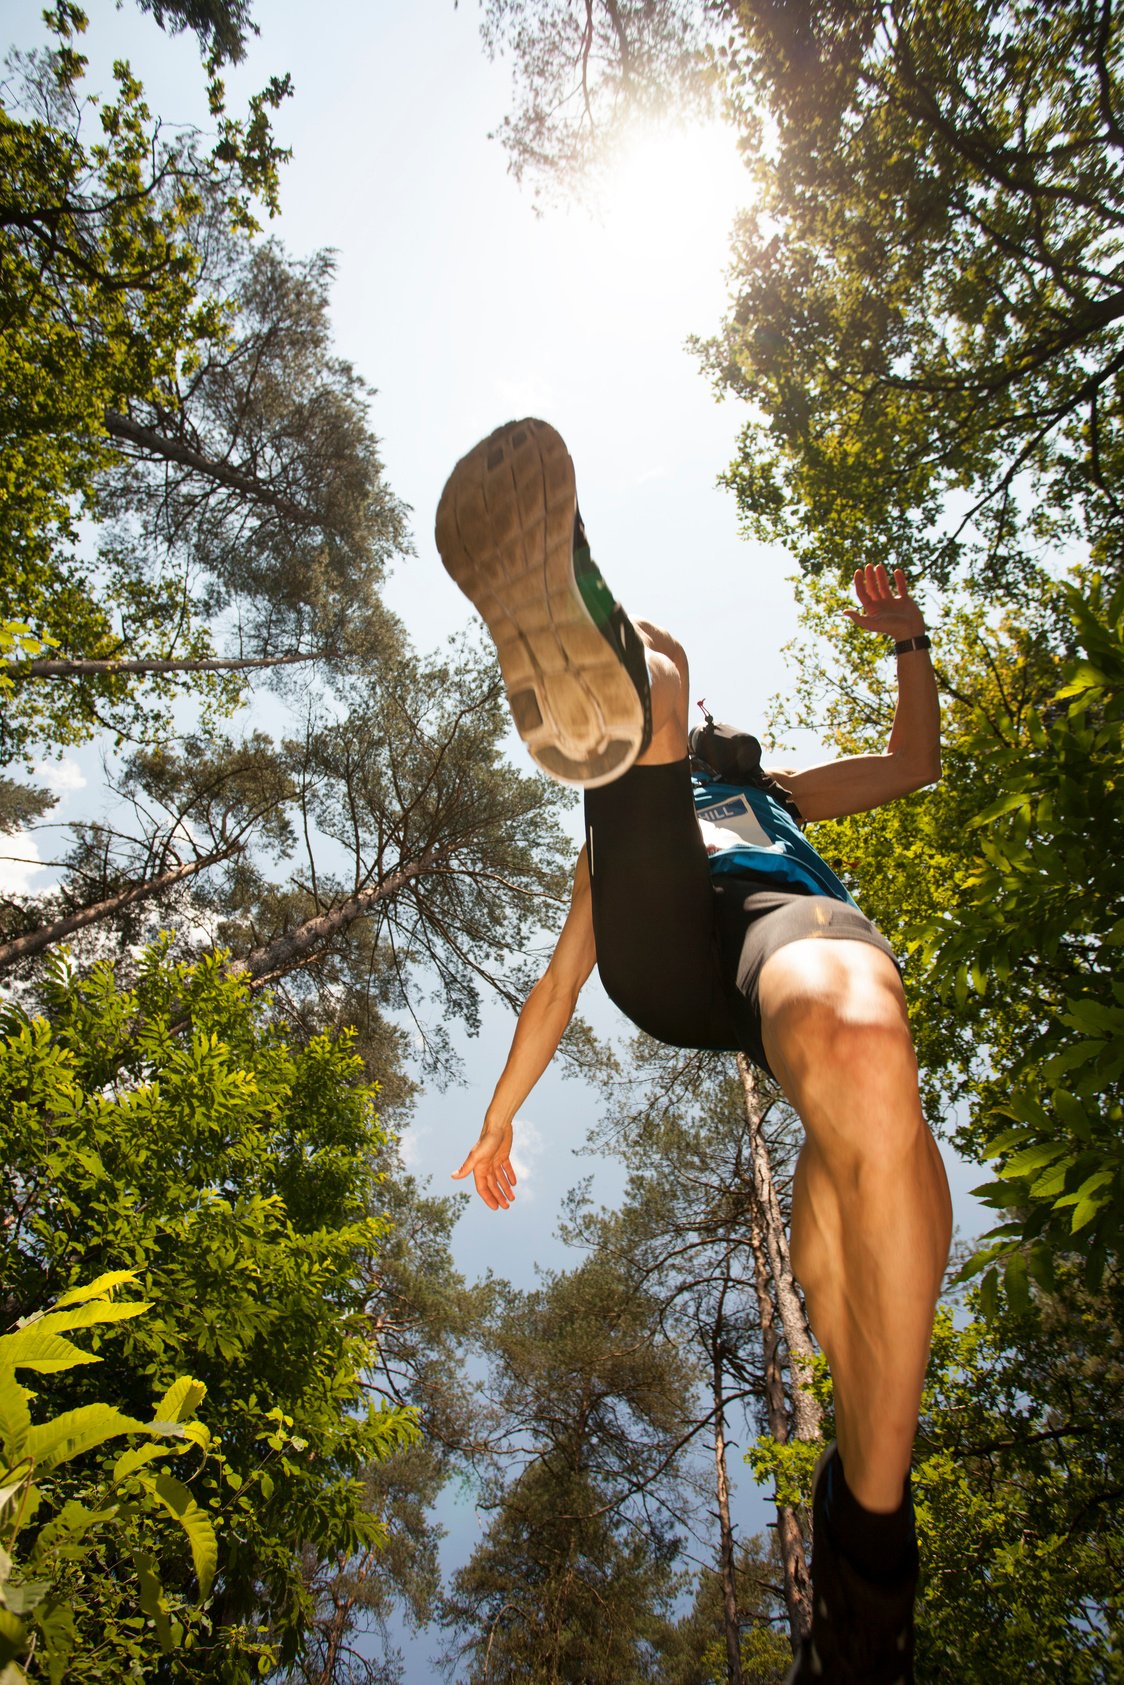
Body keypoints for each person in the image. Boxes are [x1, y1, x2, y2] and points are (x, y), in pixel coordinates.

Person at [435, 418, 952, 1685]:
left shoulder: (776, 789)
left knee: (859, 1038)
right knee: (664, 680)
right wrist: (499, 1111)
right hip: (657, 928)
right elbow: (562, 981)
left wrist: (910, 645)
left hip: (780, 918)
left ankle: (865, 1572)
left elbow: (913, 762)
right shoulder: (629, 823)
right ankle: (587, 605)